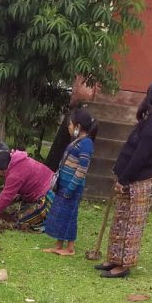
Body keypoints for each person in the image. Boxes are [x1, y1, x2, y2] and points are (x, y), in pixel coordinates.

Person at [97, 79, 152, 279]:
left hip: (139, 181)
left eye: (149, 94)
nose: (146, 98)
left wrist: (123, 180)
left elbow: (140, 156)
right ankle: (114, 259)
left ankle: (123, 266)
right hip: (130, 178)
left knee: (132, 224)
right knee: (120, 220)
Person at [43, 108, 98, 256]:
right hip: (64, 185)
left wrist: (71, 188)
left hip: (72, 188)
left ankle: (70, 248)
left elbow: (82, 169)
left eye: (70, 124)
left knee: (69, 216)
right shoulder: (77, 141)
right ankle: (59, 245)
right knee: (61, 214)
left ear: (78, 126)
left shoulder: (86, 143)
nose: (69, 126)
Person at [0, 150, 55, 230]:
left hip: (49, 196)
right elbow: (8, 195)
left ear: (4, 170)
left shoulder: (15, 174)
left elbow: (6, 197)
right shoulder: (17, 161)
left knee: (22, 221)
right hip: (42, 189)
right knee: (14, 211)